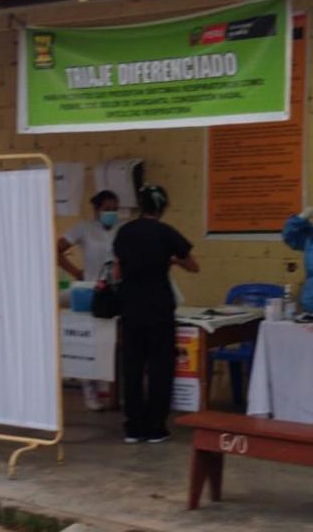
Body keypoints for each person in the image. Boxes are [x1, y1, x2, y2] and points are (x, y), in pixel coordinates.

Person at [113, 185, 199, 444]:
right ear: (161, 207)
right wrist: (173, 261)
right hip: (159, 309)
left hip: (130, 308)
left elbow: (117, 272)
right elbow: (193, 266)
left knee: (133, 367)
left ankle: (133, 427)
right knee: (161, 368)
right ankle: (155, 427)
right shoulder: (166, 233)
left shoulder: (124, 231)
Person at [57, 190, 120, 411]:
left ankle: (112, 392)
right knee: (90, 342)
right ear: (96, 210)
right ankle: (89, 392)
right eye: (107, 209)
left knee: (112, 342)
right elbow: (57, 249)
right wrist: (76, 272)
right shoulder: (84, 228)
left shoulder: (122, 229)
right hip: (90, 290)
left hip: (116, 291)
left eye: (114, 209)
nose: (111, 213)